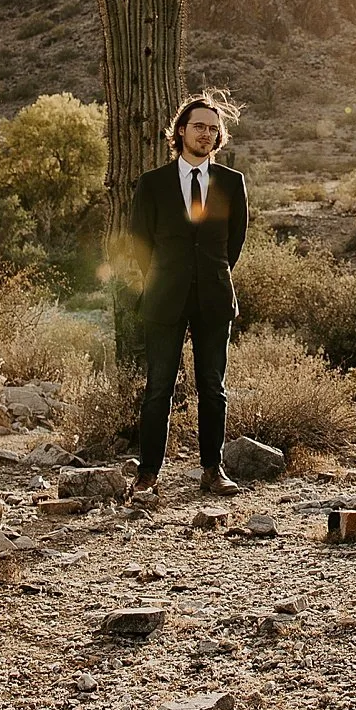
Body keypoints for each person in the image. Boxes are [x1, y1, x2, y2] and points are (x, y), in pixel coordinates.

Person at [129, 92, 248, 497]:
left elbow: (234, 242)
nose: (207, 134)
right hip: (164, 296)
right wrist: (164, 277)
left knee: (213, 388)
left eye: (214, 129)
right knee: (158, 387)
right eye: (199, 126)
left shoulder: (232, 183)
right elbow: (140, 240)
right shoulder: (153, 183)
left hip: (214, 296)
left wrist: (210, 274)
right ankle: (147, 474)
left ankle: (213, 470)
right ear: (181, 130)